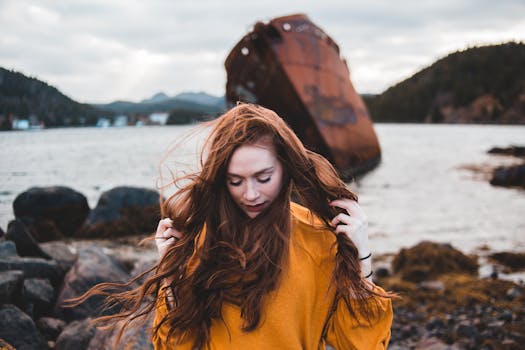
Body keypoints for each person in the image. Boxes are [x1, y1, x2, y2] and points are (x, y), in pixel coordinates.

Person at [79, 103, 394, 349]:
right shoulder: (200, 240)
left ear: (285, 169)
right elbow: (177, 344)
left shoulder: (318, 238)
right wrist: (170, 269)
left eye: (263, 177)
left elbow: (359, 343)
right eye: (235, 181)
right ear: (220, 180)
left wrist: (361, 254)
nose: (251, 194)